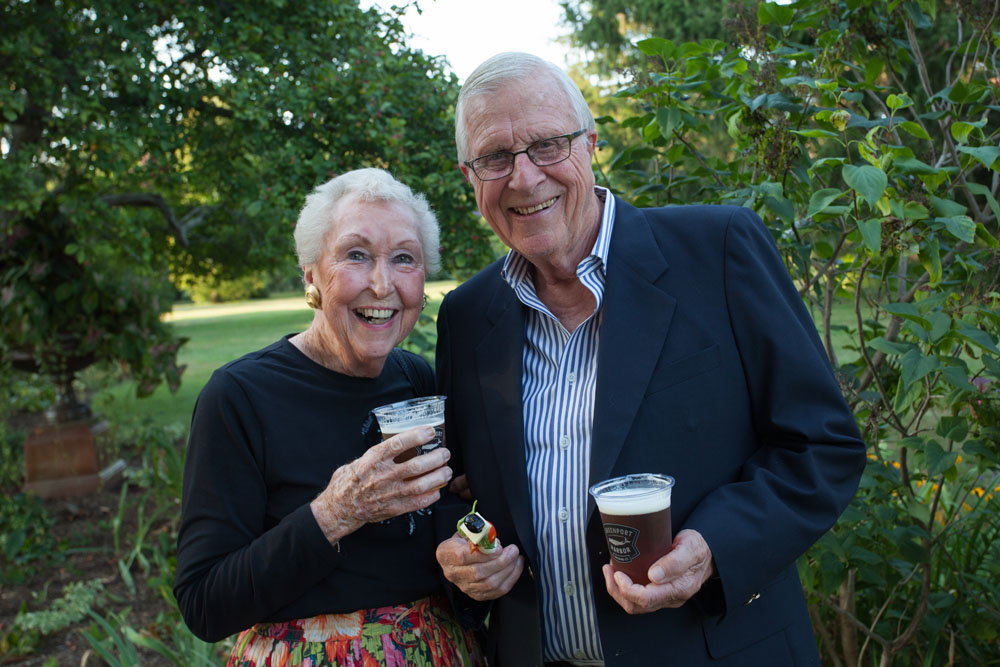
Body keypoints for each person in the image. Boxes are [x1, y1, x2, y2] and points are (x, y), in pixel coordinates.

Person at [434, 52, 867, 666]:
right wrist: (458, 548)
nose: (525, 179)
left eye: (547, 146)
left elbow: (823, 446)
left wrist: (715, 546)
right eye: (495, 158)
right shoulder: (468, 315)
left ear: (590, 144)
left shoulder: (717, 251)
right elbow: (461, 488)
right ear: (470, 175)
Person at [174, 168, 484, 666]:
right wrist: (336, 513)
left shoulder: (420, 383)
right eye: (356, 255)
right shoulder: (239, 397)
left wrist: (473, 558)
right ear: (312, 275)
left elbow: (443, 534)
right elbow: (204, 603)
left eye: (404, 259)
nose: (382, 284)